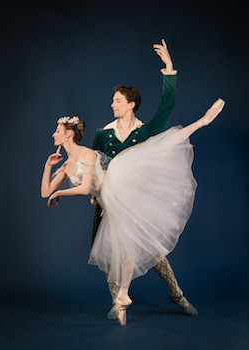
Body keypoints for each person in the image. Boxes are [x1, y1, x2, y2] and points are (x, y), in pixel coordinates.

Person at [41, 99, 225, 326]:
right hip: (105, 202)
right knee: (116, 253)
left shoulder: (88, 154)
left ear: (68, 134)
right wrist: (49, 167)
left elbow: (85, 187)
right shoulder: (67, 165)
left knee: (161, 149)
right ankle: (120, 300)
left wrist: (61, 194)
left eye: (57, 131)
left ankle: (202, 121)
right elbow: (45, 192)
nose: (53, 135)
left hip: (119, 188)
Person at [91, 40, 197, 320]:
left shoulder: (145, 132)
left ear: (131, 105)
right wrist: (93, 190)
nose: (112, 104)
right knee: (110, 254)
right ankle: (117, 303)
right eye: (113, 100)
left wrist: (169, 69)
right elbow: (94, 164)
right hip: (109, 202)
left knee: (153, 251)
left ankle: (178, 295)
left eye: (117, 100)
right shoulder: (103, 134)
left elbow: (167, 105)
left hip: (137, 201)